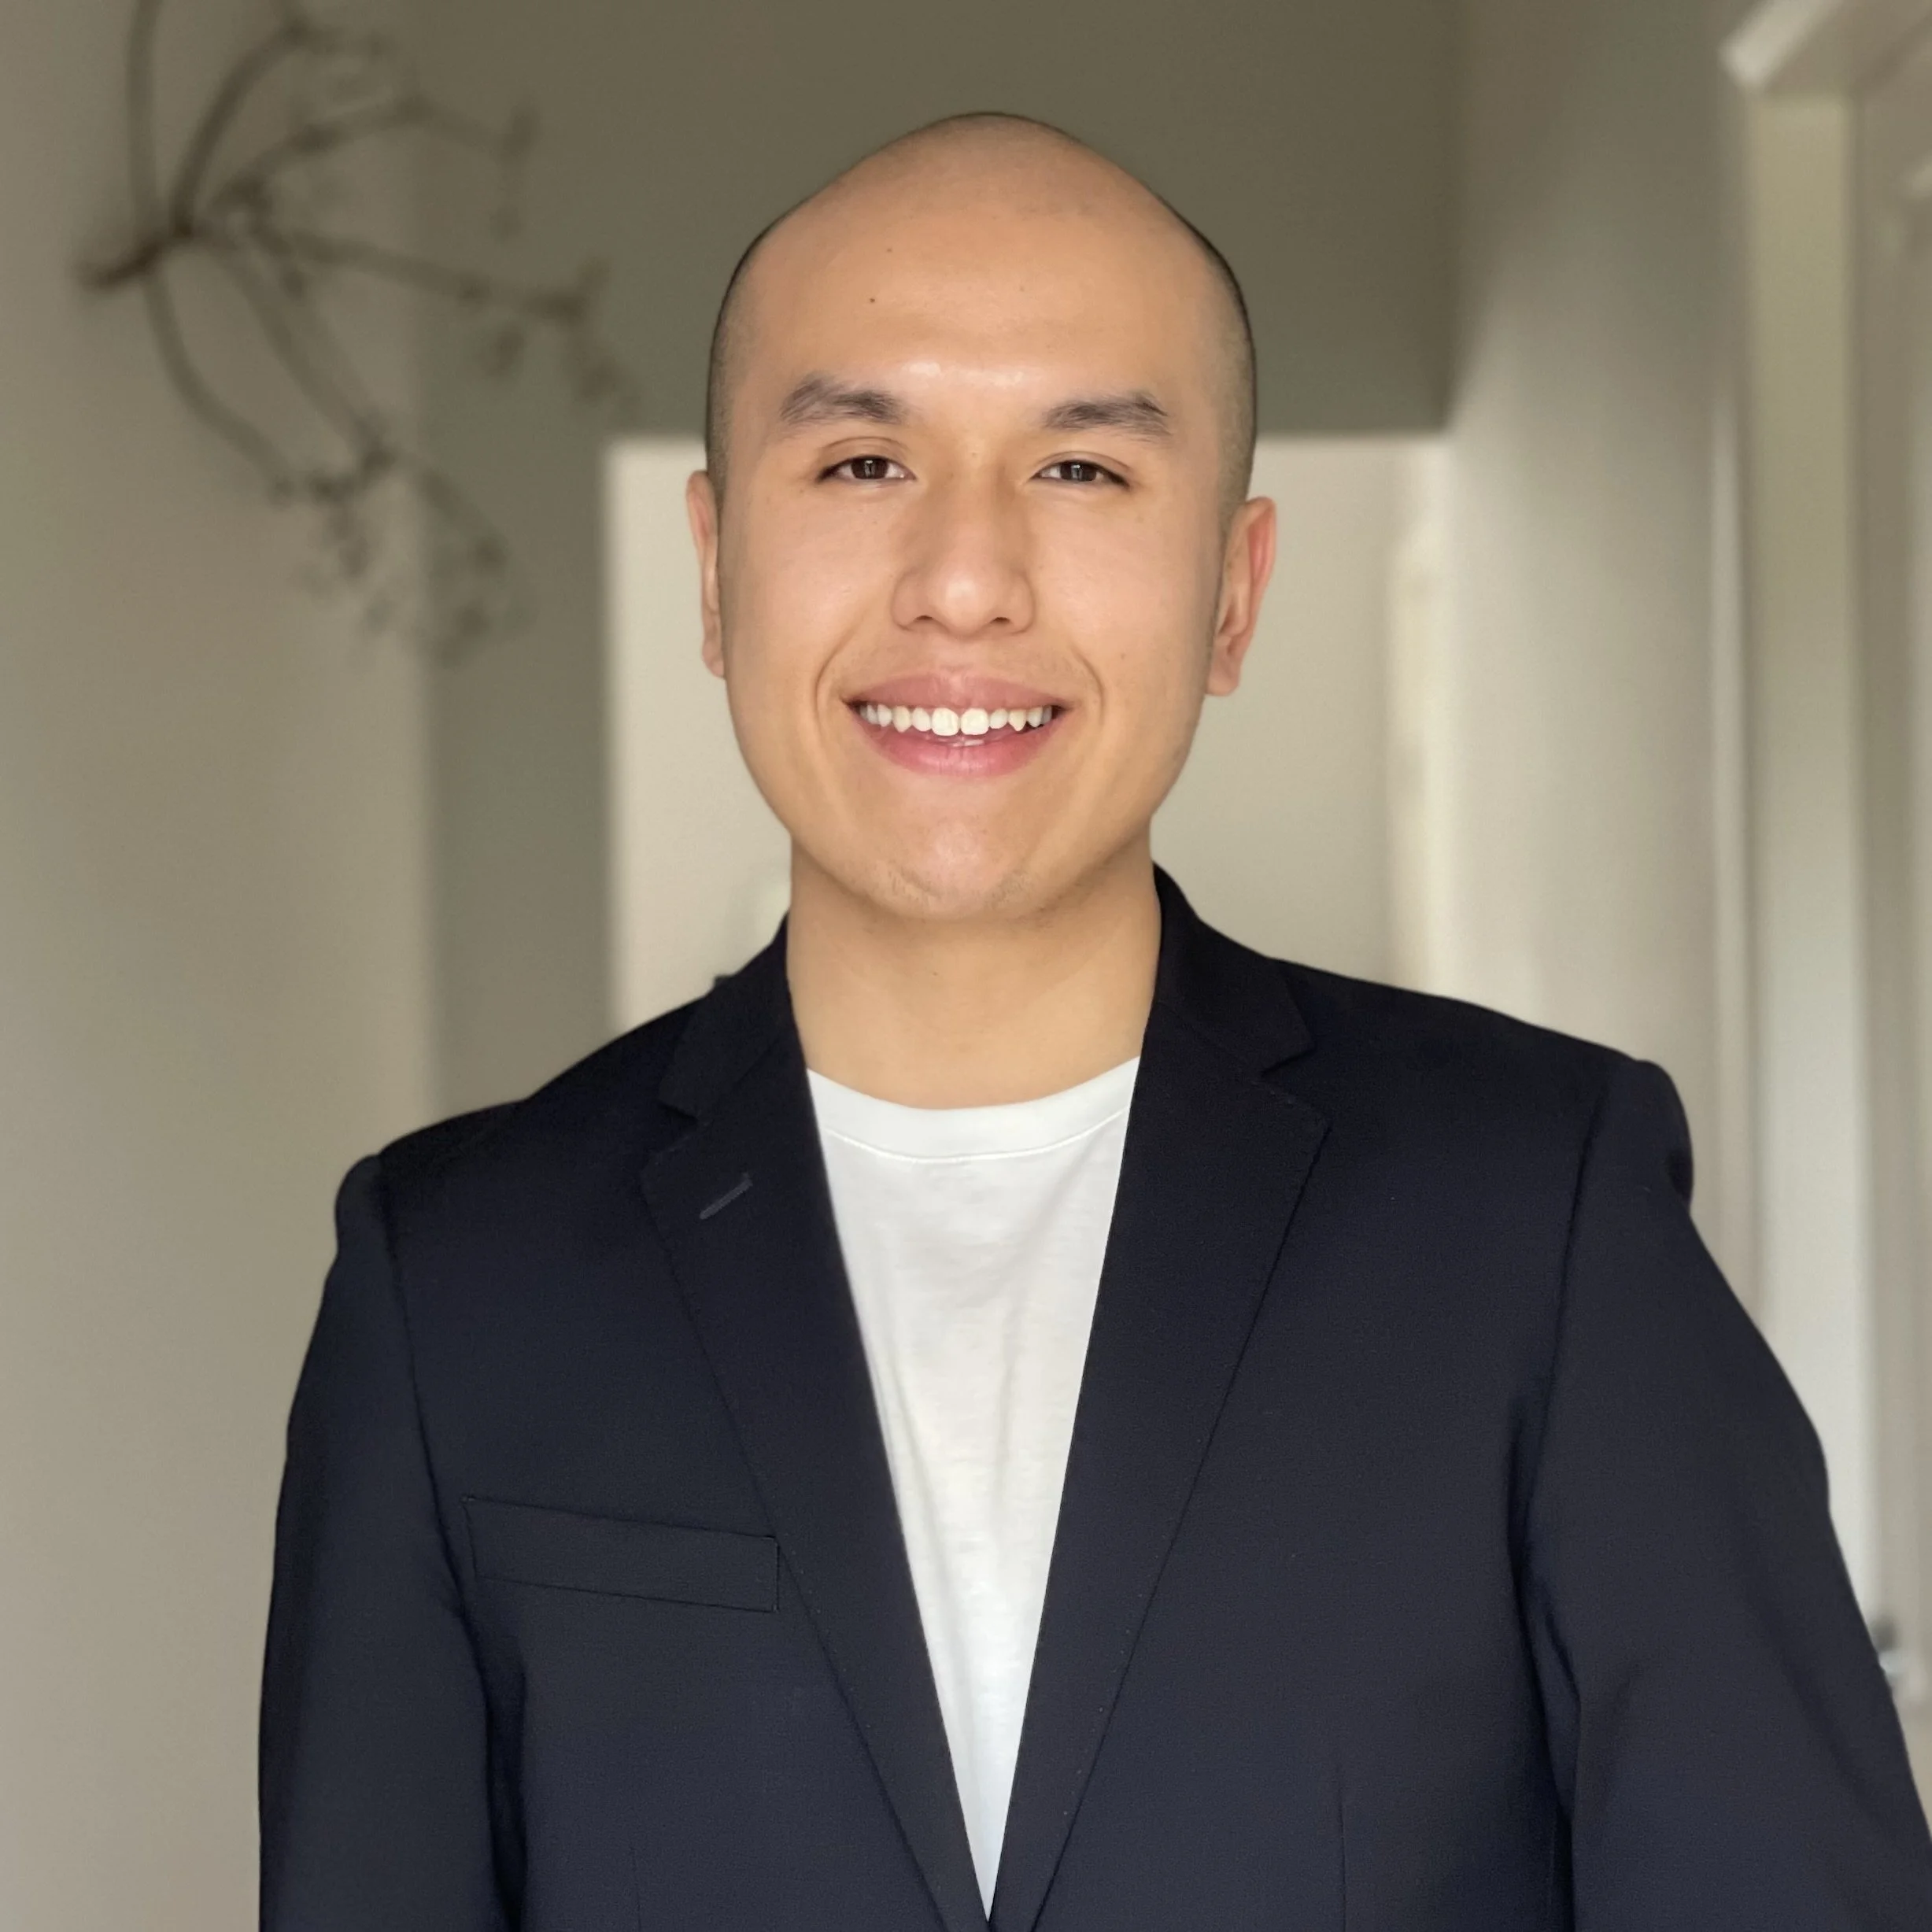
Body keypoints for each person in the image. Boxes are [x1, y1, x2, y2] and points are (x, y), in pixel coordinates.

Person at [260, 113, 1932, 1931]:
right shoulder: (453, 1282)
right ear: (717, 568)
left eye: (1081, 468)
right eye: (864, 460)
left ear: (1234, 591)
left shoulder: (1540, 1213)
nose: (966, 577)